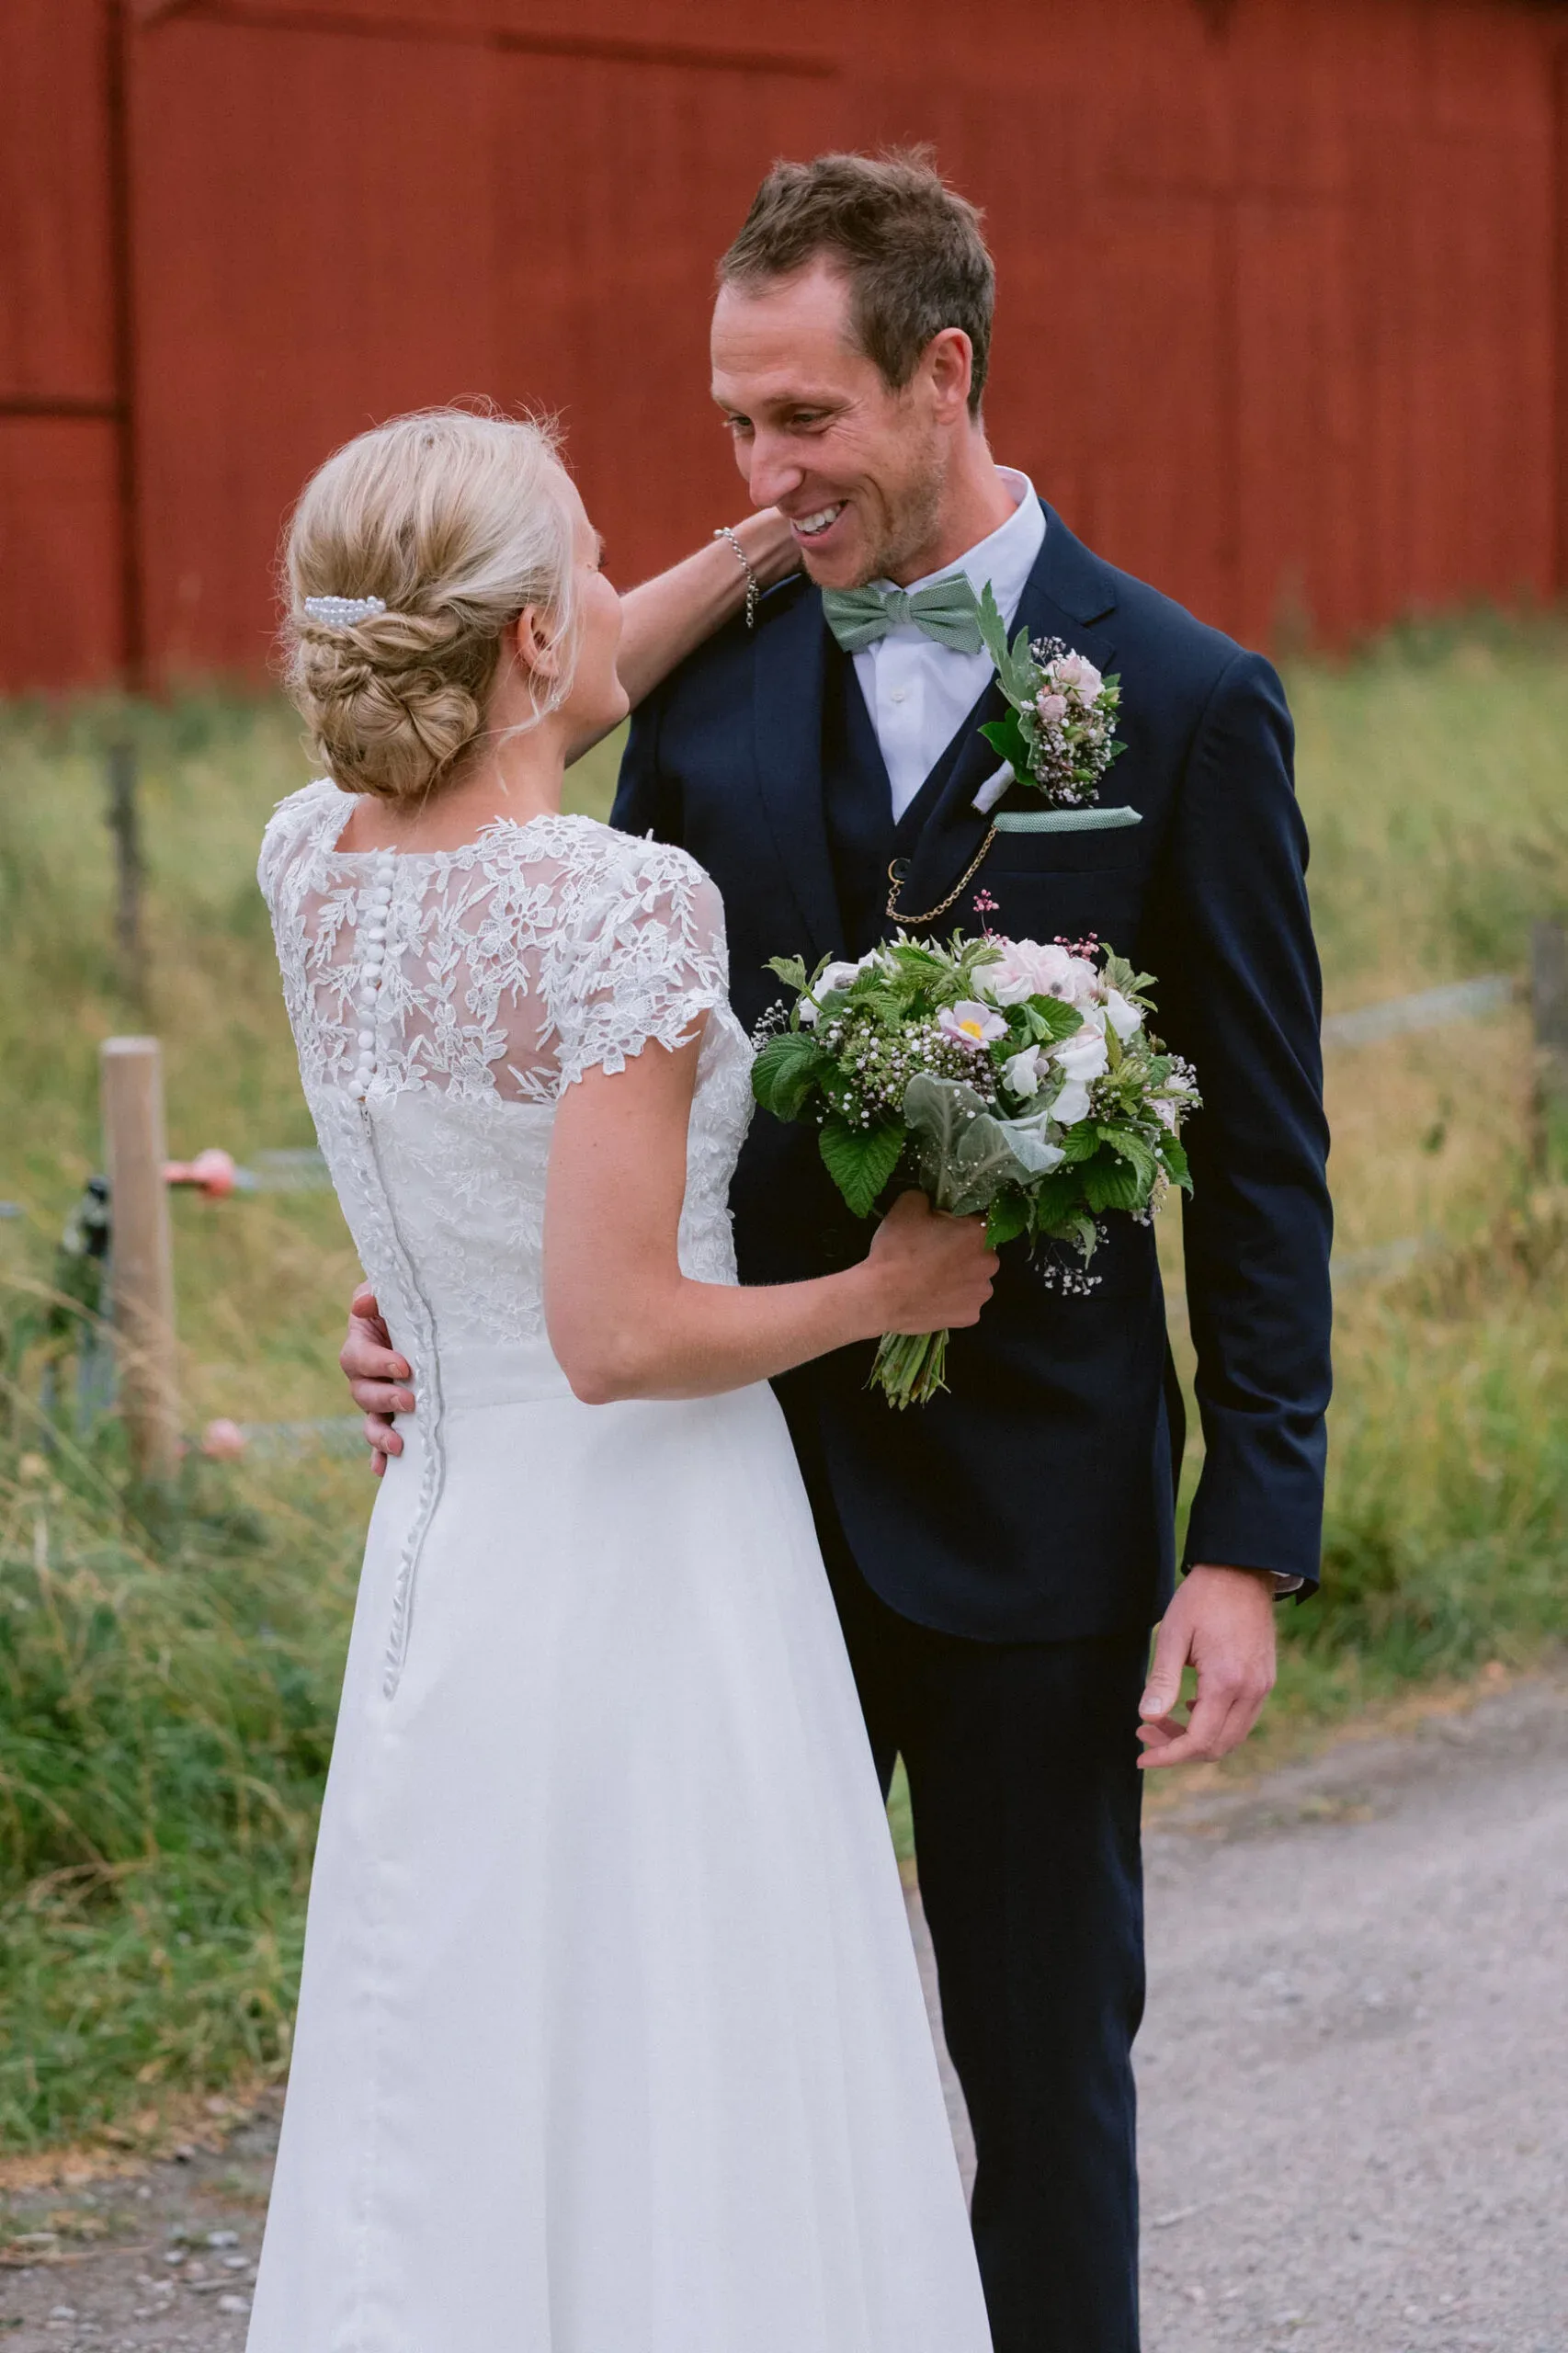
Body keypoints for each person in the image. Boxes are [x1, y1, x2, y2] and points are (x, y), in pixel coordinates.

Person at [344, 152, 1335, 2353]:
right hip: (719, 1512)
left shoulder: (1176, 700)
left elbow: (1263, 1160)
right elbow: (580, 1053)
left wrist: (1245, 1537)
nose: (766, 470)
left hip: (1040, 1526)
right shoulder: (696, 696)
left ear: (941, 372)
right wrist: (440, 1284)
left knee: (1037, 2079)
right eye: (730, 427)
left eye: (804, 421)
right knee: (712, 2081)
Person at [248, 404, 1000, 2352]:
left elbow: (479, 1208)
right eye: (585, 562)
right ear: (518, 640)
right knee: (689, 2026)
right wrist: (886, 1281)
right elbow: (617, 1335)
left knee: (478, 2040)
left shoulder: (311, 859)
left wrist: (761, 548)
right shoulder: (615, 904)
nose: (611, 592)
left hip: (446, 1548)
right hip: (654, 1556)